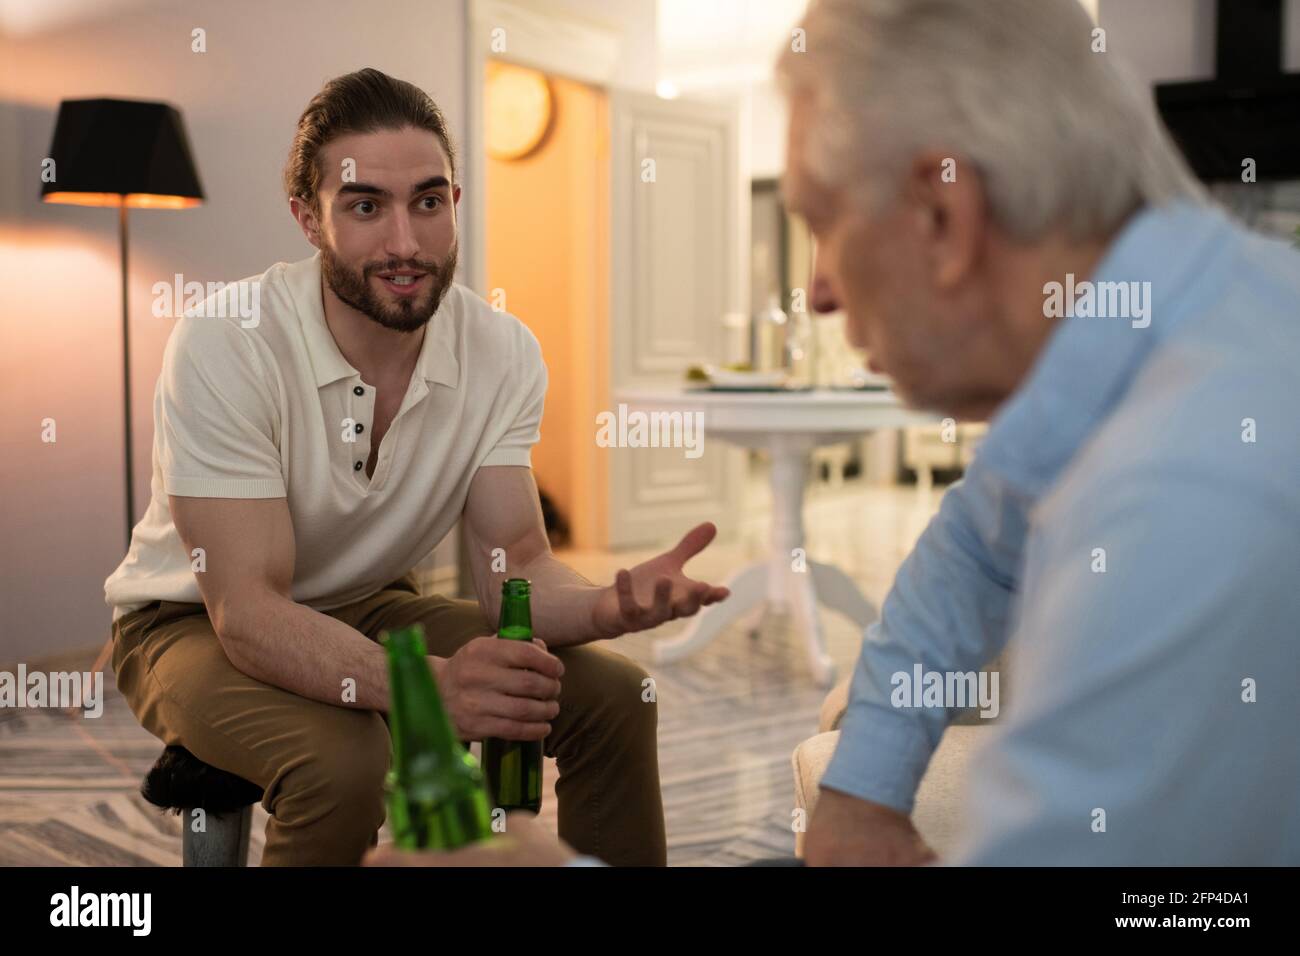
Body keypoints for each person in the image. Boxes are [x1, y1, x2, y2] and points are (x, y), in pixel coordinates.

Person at [367, 0, 1300, 867]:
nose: (814, 291)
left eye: (819, 221)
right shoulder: (1157, 330)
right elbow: (977, 548)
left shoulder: (1189, 498)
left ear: (945, 216)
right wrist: (862, 786)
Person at [105, 68, 728, 867]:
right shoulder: (229, 341)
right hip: (190, 623)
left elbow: (519, 565)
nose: (406, 243)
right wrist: (430, 686)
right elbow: (248, 612)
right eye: (366, 206)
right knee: (344, 762)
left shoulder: (501, 351)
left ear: (455, 205)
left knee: (612, 697)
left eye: (428, 202)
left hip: (373, 605)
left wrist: (608, 605)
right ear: (308, 217)